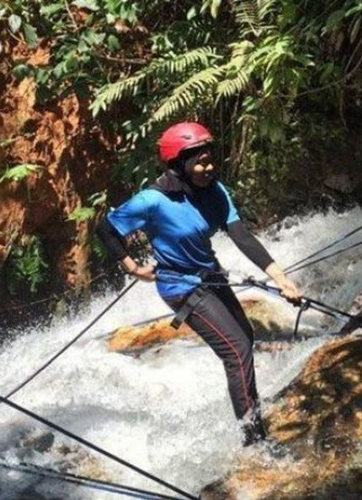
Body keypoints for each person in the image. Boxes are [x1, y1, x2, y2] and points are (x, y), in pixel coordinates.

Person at [96, 121, 303, 446]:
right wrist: (133, 268)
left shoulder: (215, 192)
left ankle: (250, 416)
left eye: (210, 159)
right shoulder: (152, 201)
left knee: (245, 338)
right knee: (236, 351)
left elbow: (242, 237)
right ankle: (254, 442)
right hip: (182, 288)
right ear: (179, 165)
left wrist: (282, 279)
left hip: (211, 277)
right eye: (201, 162)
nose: (210, 168)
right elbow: (106, 229)